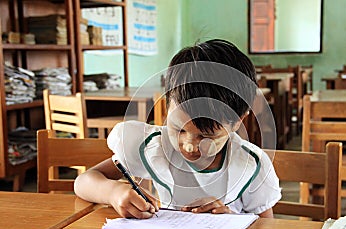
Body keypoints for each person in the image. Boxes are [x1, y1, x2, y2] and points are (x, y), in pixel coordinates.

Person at [74, 39, 281, 219]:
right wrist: (114, 192)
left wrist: (231, 220)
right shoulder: (153, 146)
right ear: (167, 107)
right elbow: (84, 182)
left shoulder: (252, 166)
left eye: (206, 136)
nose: (189, 146)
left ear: (238, 121)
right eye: (178, 129)